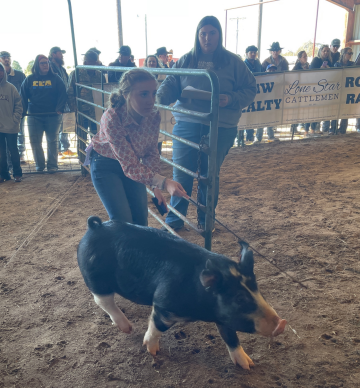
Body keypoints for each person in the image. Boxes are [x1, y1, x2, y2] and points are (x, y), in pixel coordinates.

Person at [157, 16, 257, 232]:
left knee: (209, 176)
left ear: (219, 35)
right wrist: (157, 99)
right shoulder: (186, 60)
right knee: (182, 173)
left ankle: (206, 220)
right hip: (187, 123)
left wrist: (230, 99)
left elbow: (251, 89)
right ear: (197, 35)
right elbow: (171, 82)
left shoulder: (234, 62)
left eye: (212, 33)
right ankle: (175, 219)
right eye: (203, 33)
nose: (207, 38)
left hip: (220, 126)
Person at [88, 68, 187, 226]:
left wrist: (155, 186)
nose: (151, 100)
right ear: (126, 95)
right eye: (144, 94)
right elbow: (130, 166)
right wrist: (164, 182)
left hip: (134, 165)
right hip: (106, 164)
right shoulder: (112, 117)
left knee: (141, 219)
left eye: (154, 93)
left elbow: (151, 151)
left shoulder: (154, 114)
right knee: (122, 220)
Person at [20, 54, 67, 173]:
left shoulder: (56, 78)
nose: (45, 65)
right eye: (42, 63)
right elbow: (23, 96)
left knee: (52, 141)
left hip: (53, 115)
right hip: (34, 116)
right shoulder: (29, 79)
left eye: (47, 63)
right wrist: (23, 112)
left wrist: (60, 108)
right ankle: (39, 166)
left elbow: (63, 93)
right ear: (37, 65)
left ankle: (52, 166)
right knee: (35, 142)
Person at [67, 51, 105, 151]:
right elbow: (70, 93)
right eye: (89, 62)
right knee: (81, 138)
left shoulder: (100, 75)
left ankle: (95, 161)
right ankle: (83, 163)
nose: (92, 65)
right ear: (85, 62)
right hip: (81, 112)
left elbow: (104, 93)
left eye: (94, 62)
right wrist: (74, 110)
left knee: (96, 138)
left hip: (96, 113)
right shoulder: (76, 73)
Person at [0, 51, 27, 163]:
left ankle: (21, 155)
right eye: (4, 58)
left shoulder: (20, 75)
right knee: (5, 133)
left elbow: (25, 92)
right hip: (3, 110)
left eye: (8, 57)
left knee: (20, 132)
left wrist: (23, 108)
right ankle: (8, 157)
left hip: (18, 109)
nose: (6, 59)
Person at [48, 46, 73, 158]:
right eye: (60, 53)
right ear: (53, 54)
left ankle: (65, 147)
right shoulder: (49, 67)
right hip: (56, 100)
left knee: (66, 124)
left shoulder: (62, 69)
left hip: (65, 99)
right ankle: (57, 149)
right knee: (56, 126)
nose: (62, 55)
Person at [310, 45, 336, 134]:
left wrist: (329, 69)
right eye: (324, 51)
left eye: (327, 51)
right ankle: (313, 129)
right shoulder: (316, 60)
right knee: (315, 109)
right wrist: (320, 69)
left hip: (325, 88)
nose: (326, 53)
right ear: (320, 51)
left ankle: (318, 128)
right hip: (316, 88)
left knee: (321, 109)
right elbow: (310, 72)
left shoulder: (329, 61)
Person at [242, 45, 264, 144]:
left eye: (255, 52)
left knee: (258, 112)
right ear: (246, 54)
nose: (253, 54)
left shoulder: (258, 64)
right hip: (247, 92)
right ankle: (248, 136)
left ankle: (257, 137)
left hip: (259, 92)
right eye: (251, 52)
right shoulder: (243, 64)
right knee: (248, 114)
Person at [334, 48, 355, 134]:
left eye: (351, 53)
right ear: (343, 54)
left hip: (348, 88)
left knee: (346, 109)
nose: (350, 55)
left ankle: (342, 129)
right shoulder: (337, 64)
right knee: (336, 109)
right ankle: (334, 128)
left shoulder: (353, 64)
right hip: (339, 89)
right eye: (348, 53)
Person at [292, 51, 311, 137]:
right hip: (298, 90)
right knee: (296, 110)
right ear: (299, 58)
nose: (305, 58)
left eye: (306, 56)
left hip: (306, 89)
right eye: (304, 56)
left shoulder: (308, 66)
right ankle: (294, 127)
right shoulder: (297, 67)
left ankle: (303, 127)